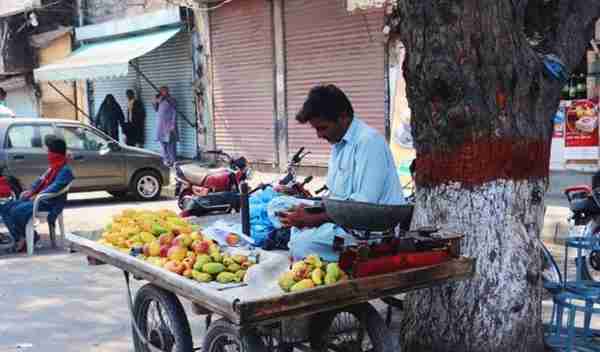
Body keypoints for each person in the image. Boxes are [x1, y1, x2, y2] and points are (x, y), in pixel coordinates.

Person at [279, 84, 405, 262]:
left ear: (343, 117)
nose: (319, 136)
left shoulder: (369, 142)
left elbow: (363, 207)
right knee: (279, 206)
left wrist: (315, 219)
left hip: (369, 233)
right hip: (343, 221)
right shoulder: (338, 145)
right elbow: (336, 197)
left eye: (322, 128)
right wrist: (311, 210)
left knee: (303, 244)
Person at [0, 136, 74, 252]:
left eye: (49, 151)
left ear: (55, 153)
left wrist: (37, 195)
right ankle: (21, 238)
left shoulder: (65, 171)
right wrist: (31, 191)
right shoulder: (53, 168)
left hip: (48, 203)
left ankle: (28, 238)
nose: (48, 154)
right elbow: (40, 180)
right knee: (5, 207)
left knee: (16, 211)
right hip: (38, 200)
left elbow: (54, 188)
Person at [154, 86, 178, 167]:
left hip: (169, 126)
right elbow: (155, 109)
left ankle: (173, 161)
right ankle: (166, 160)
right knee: (163, 144)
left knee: (171, 145)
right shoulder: (160, 100)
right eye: (161, 91)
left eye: (163, 91)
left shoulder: (172, 100)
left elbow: (175, 113)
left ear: (167, 91)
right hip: (160, 126)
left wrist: (173, 125)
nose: (162, 92)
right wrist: (156, 101)